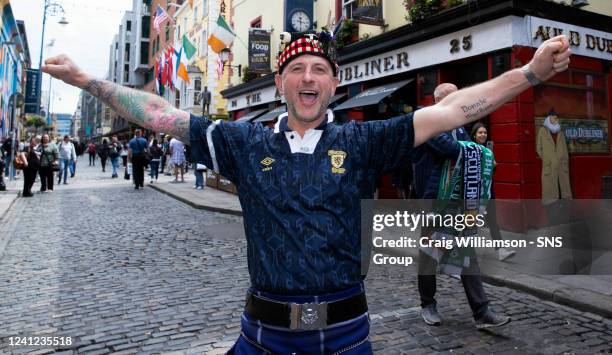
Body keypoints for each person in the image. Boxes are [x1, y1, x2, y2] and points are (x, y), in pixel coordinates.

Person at [42, 32, 571, 353]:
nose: (308, 76)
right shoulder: (242, 142)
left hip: (347, 337)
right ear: (282, 84)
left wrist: (526, 72)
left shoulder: (363, 141)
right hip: (263, 337)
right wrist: (89, 81)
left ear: (334, 84)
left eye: (319, 69)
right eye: (297, 69)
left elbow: (453, 111)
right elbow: (164, 115)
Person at [471, 122, 516, 261]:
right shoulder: (471, 150)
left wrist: (493, 166)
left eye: (485, 132)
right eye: (480, 132)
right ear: (474, 135)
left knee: (492, 221)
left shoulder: (488, 151)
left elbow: (489, 174)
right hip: (474, 193)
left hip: (488, 193)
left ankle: (501, 250)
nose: (483, 135)